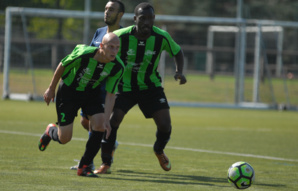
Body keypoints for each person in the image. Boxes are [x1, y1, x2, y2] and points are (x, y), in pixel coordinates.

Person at [95, 2, 187, 174]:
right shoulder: (120, 36)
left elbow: (177, 51)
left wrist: (179, 71)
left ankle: (159, 150)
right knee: (113, 121)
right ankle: (106, 163)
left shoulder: (161, 37)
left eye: (150, 18)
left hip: (150, 87)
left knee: (165, 125)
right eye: (143, 18)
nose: (147, 22)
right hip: (124, 86)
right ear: (135, 19)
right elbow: (103, 53)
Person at [38, 32, 125, 178]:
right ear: (102, 46)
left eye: (117, 48)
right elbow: (62, 65)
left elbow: (110, 94)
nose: (114, 51)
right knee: (65, 138)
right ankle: (50, 131)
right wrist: (51, 88)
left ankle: (84, 166)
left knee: (100, 125)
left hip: (91, 93)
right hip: (68, 92)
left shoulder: (118, 66)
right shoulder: (84, 54)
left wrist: (106, 119)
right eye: (111, 47)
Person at [70, 0, 125, 172]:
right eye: (106, 8)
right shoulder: (99, 32)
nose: (107, 12)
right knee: (84, 121)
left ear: (120, 14)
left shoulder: (124, 35)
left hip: (108, 88)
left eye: (112, 9)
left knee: (98, 124)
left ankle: (89, 162)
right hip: (91, 86)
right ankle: (107, 144)